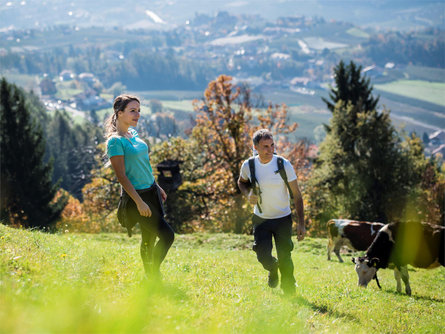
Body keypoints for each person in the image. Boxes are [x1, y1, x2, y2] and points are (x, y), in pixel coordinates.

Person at [105, 94, 174, 279]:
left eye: (139, 111)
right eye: (132, 111)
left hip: (152, 191)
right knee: (168, 236)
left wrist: (156, 186)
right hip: (137, 197)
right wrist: (139, 203)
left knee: (149, 238)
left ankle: (150, 276)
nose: (137, 115)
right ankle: (153, 274)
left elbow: (143, 165)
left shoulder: (133, 134)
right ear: (119, 113)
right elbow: (122, 176)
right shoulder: (115, 142)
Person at [238, 129, 305, 295]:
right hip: (261, 219)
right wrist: (248, 194)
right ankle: (272, 268)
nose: (270, 150)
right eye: (265, 146)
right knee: (262, 255)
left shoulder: (283, 165)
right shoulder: (249, 165)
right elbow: (241, 182)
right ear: (256, 147)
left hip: (283, 218)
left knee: (285, 255)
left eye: (272, 145)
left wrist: (301, 224)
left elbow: (297, 195)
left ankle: (289, 289)